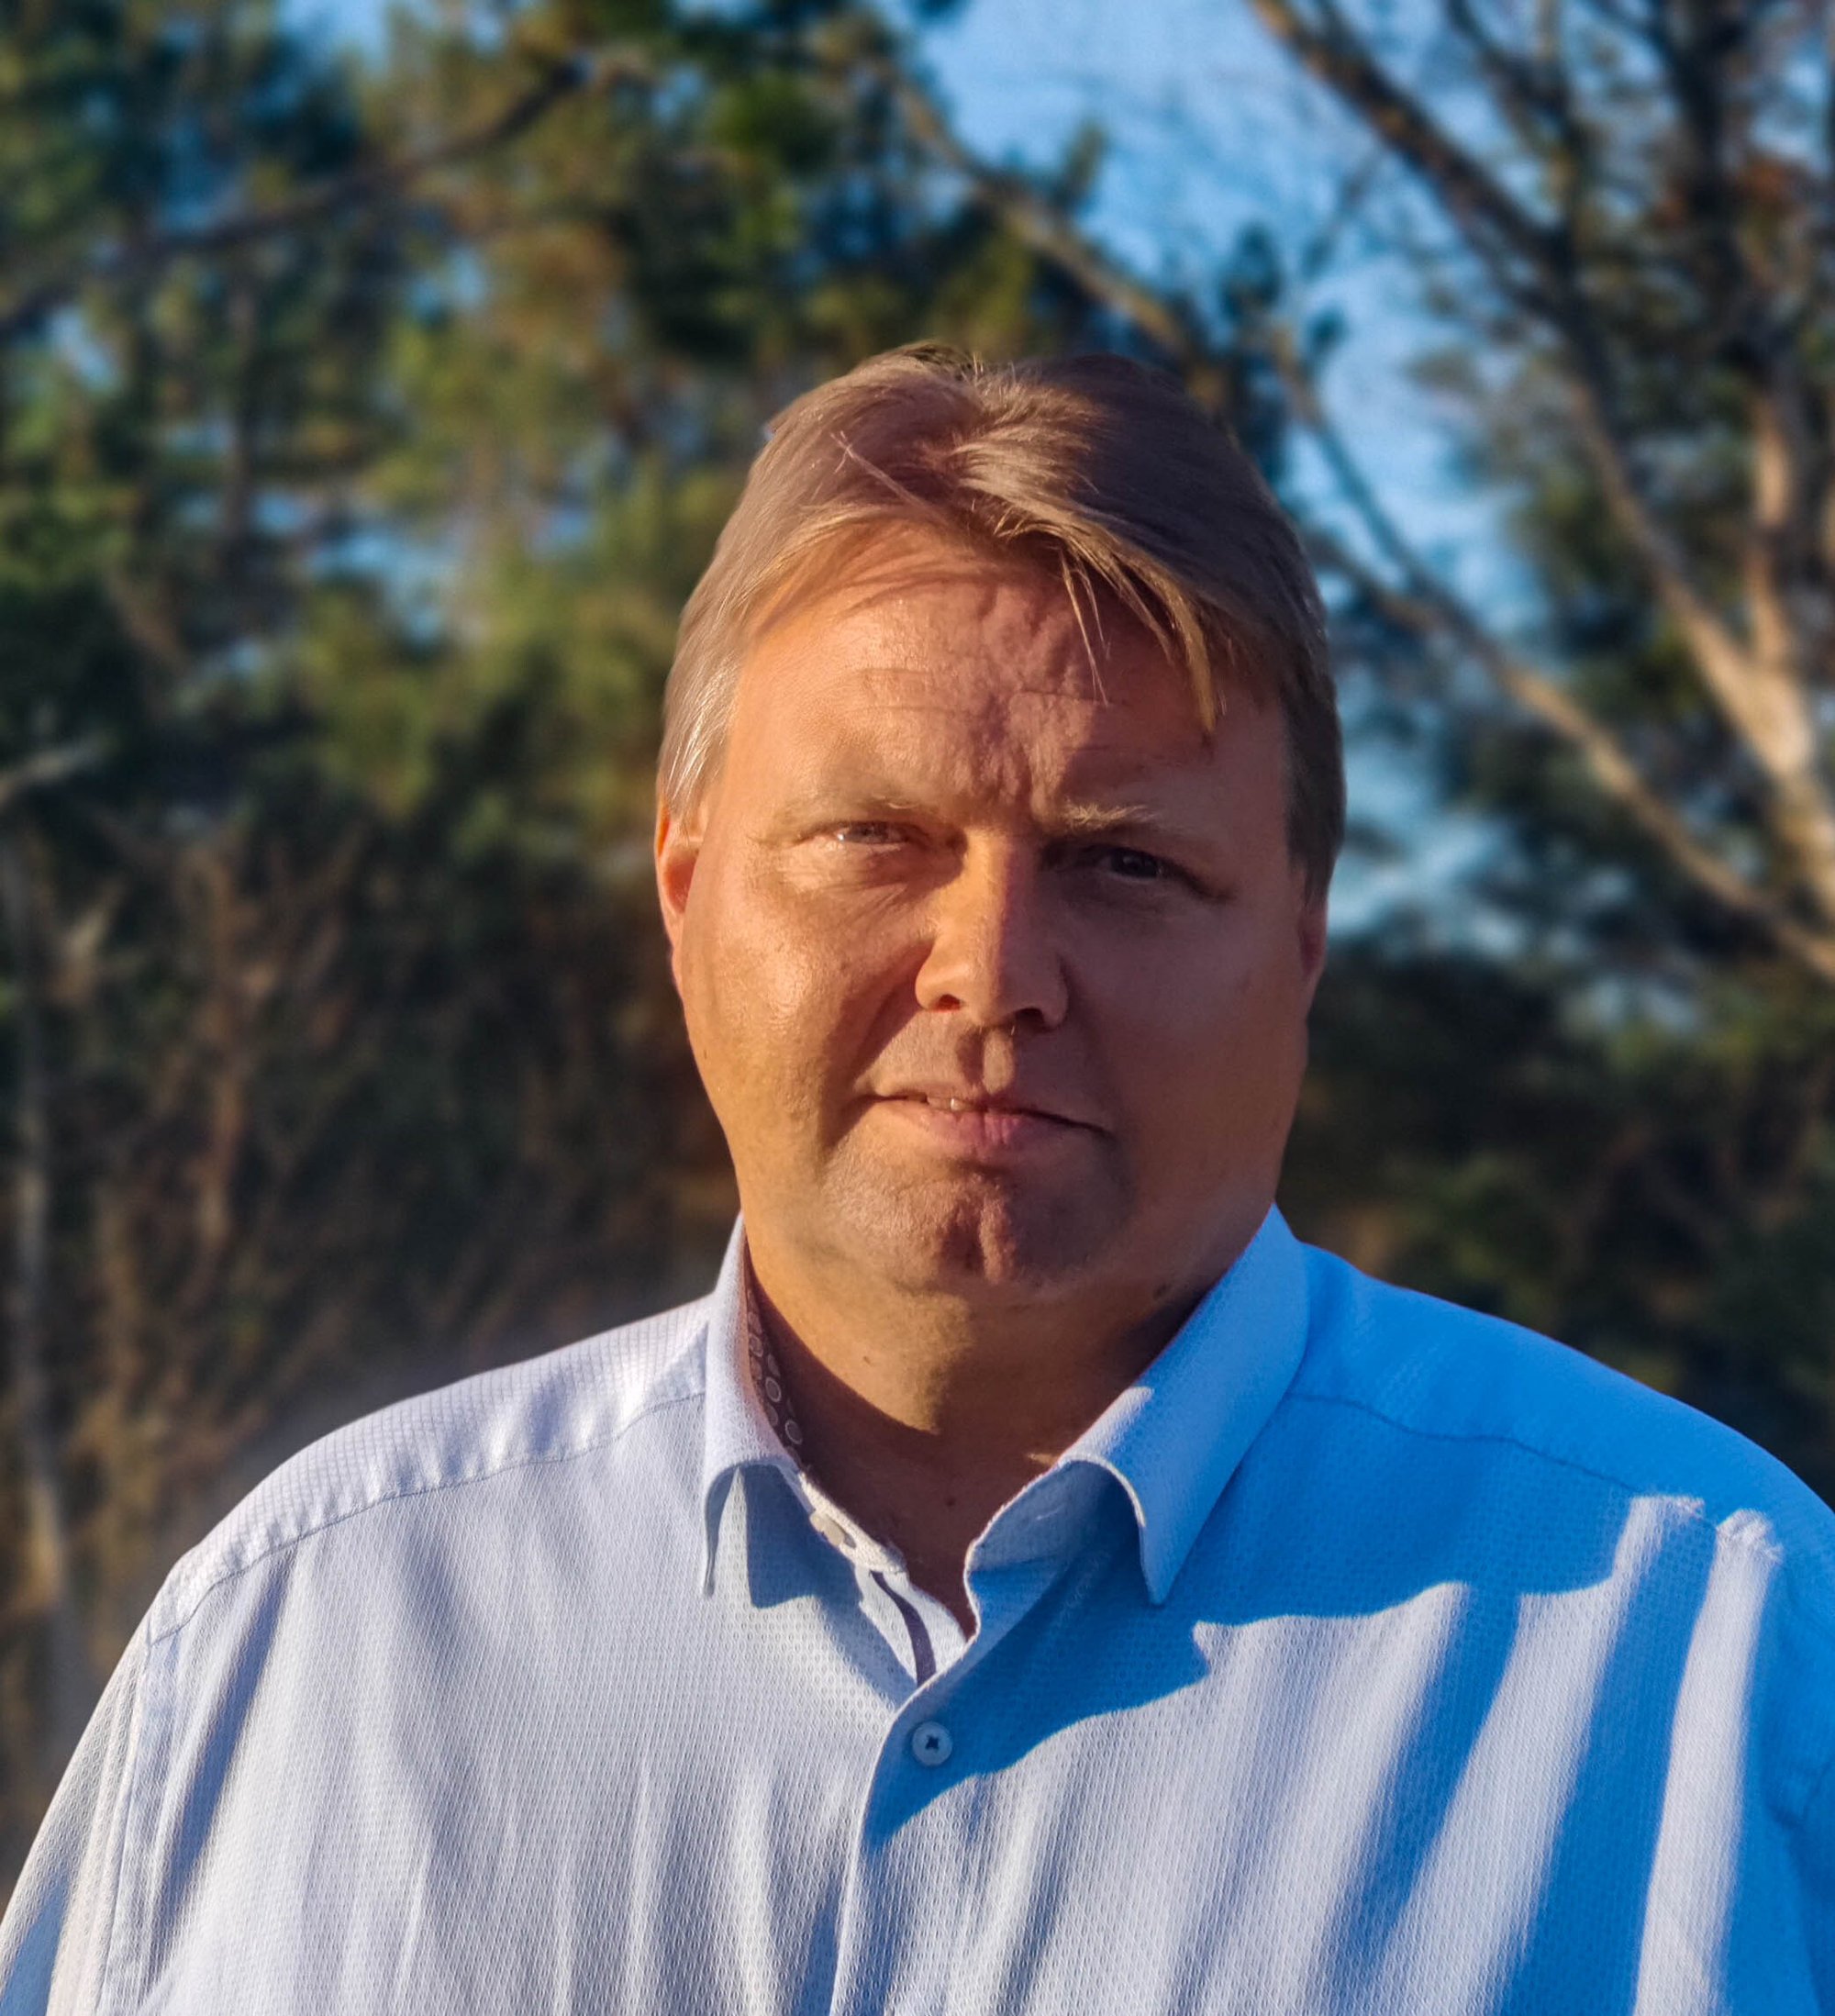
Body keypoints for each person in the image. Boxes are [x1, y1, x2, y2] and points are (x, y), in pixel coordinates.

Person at [2, 345, 1831, 2016]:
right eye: (875, 836)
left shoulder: (1716, 1655)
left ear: (1302, 940)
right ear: (684, 897)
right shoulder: (302, 1643)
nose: (992, 971)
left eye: (1125, 864)